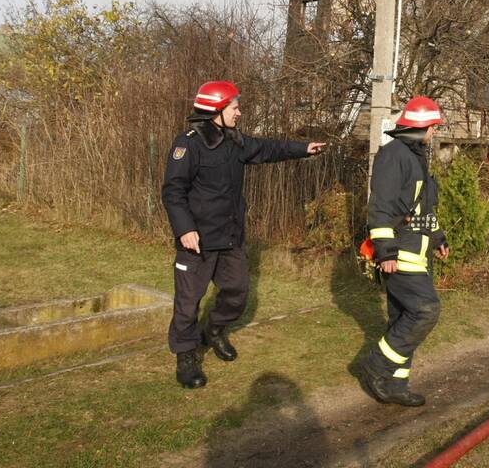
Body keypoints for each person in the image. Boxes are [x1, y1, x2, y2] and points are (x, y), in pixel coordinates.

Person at [162, 80, 325, 389]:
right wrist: (185, 229)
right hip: (196, 242)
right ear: (216, 110)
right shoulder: (188, 145)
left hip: (230, 238)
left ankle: (214, 330)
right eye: (235, 107)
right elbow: (173, 192)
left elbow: (268, 148)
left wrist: (302, 148)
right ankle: (186, 354)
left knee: (237, 293)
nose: (239, 112)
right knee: (188, 302)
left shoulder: (235, 141)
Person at [359, 96, 450, 407]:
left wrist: (438, 237)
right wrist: (385, 253)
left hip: (419, 249)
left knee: (402, 318)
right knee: (425, 310)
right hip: (400, 250)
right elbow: (381, 207)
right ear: (423, 127)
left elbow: (419, 206)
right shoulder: (394, 156)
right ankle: (376, 366)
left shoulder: (415, 157)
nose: (434, 133)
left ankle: (396, 385)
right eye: (433, 127)